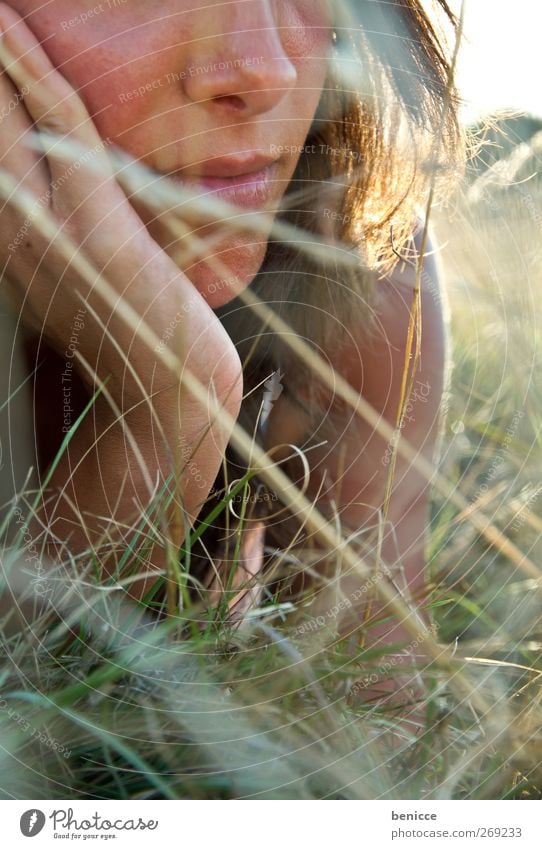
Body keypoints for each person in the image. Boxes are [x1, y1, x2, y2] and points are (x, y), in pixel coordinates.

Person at [0, 1, 461, 706]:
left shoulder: (357, 251)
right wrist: (161, 415)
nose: (265, 66)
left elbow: (376, 708)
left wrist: (167, 394)